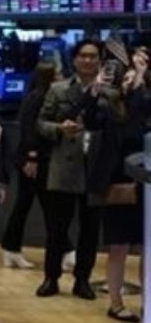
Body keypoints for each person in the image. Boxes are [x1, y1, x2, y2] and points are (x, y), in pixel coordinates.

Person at [36, 40, 115, 300]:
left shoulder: (111, 92)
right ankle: (51, 277)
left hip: (95, 168)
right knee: (57, 228)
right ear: (74, 59)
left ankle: (83, 279)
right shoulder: (58, 89)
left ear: (100, 61)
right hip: (65, 165)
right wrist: (59, 129)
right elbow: (41, 123)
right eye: (83, 56)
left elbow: (118, 124)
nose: (88, 61)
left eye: (93, 56)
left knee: (90, 230)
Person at [92, 48, 145, 323]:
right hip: (118, 182)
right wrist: (94, 91)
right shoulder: (107, 105)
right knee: (118, 246)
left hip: (145, 183)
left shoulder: (144, 102)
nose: (130, 82)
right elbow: (95, 120)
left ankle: (148, 302)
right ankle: (116, 302)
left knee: (147, 247)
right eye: (127, 78)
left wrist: (140, 87)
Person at [0, 62, 61, 269]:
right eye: (57, 73)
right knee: (34, 204)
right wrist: (32, 157)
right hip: (32, 160)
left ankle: (12, 248)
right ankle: (12, 248)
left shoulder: (37, 96)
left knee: (34, 204)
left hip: (34, 158)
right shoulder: (37, 98)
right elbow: (29, 130)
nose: (61, 76)